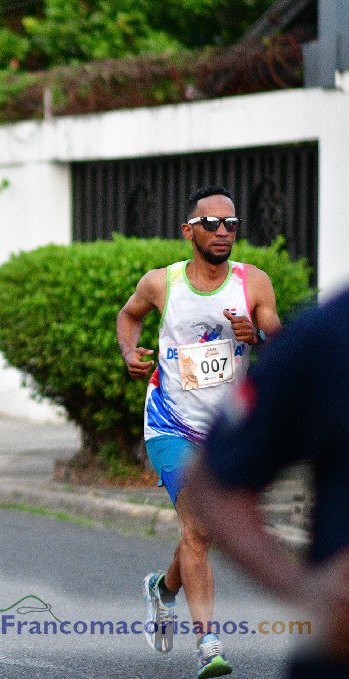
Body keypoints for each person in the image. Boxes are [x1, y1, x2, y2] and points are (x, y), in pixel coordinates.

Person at [116, 185, 281, 678]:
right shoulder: (161, 283)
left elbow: (278, 336)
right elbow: (129, 316)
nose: (223, 232)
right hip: (171, 423)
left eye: (231, 224)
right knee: (201, 527)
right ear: (189, 231)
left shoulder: (253, 283)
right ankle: (208, 644)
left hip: (226, 431)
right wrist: (129, 352)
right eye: (212, 224)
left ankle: (163, 588)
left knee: (201, 529)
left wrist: (257, 334)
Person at [187, 290, 349, 678]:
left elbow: (269, 332)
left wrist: (255, 335)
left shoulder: (253, 284)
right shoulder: (331, 334)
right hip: (191, 418)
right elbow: (213, 481)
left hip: (221, 406)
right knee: (191, 536)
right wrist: (307, 593)